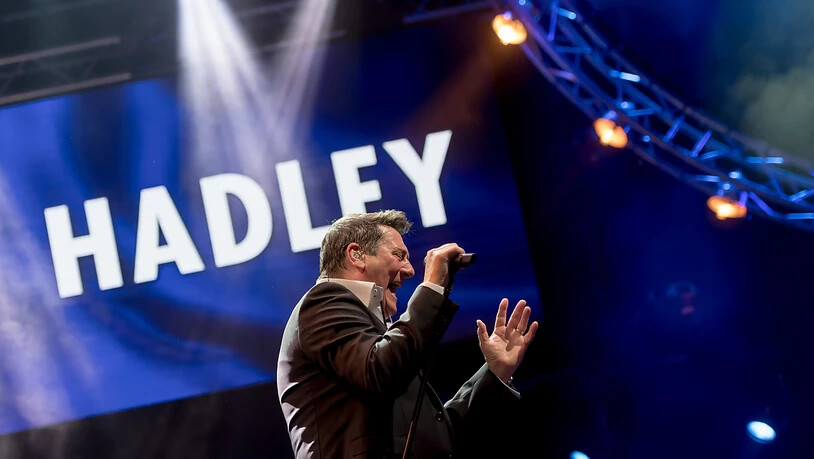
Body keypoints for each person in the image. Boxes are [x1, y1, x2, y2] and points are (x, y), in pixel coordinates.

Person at [277, 210, 538, 458]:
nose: (410, 270)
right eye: (398, 255)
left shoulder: (374, 332)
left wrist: (495, 373)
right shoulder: (323, 301)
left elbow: (437, 435)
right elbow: (379, 369)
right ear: (356, 255)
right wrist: (432, 287)